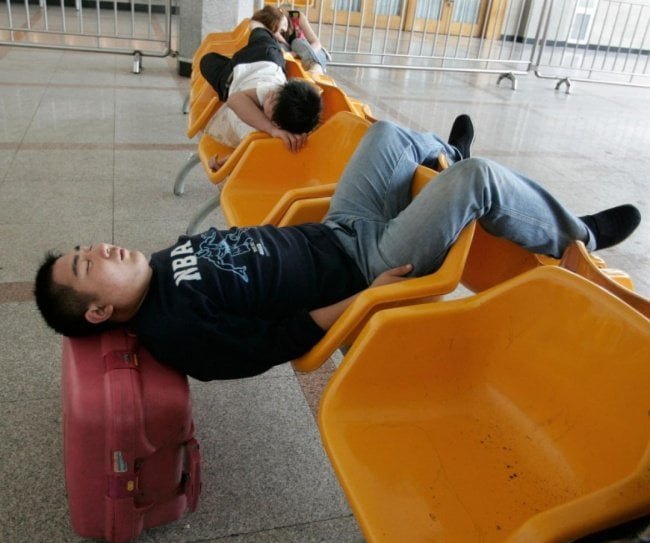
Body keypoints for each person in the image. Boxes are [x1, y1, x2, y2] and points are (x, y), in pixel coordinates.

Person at [34, 116, 641, 381]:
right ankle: (578, 236)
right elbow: (286, 338)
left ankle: (442, 151)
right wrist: (364, 298)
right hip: (369, 263)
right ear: (97, 311)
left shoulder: (158, 268)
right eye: (89, 265)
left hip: (338, 227)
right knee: (476, 181)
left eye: (90, 246)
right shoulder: (179, 332)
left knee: (384, 135)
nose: (105, 248)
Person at [199, 6, 322, 168]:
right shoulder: (276, 92)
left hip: (230, 78)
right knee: (258, 29)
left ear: (277, 122)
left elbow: (235, 101)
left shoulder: (255, 127)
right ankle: (275, 28)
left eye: (270, 100)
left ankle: (270, 35)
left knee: (207, 60)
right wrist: (272, 129)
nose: (270, 94)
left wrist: (271, 130)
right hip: (266, 57)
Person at [275, 8, 330, 74]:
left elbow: (316, 42)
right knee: (280, 47)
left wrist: (300, 54)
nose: (284, 28)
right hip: (290, 52)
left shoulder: (296, 15)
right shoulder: (271, 23)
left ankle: (316, 66)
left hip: (307, 49)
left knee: (296, 42)